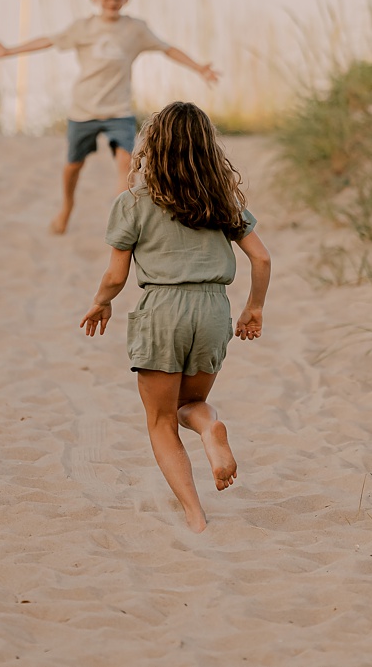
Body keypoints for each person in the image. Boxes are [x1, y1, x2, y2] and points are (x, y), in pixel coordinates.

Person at [79, 102, 271, 533]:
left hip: (162, 310)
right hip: (212, 310)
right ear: (207, 149)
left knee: (162, 420)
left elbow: (115, 275)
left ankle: (194, 514)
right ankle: (209, 428)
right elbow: (261, 258)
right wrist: (253, 308)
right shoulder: (221, 201)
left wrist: (101, 301)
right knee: (190, 404)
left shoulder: (133, 203)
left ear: (153, 147)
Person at [0, 0, 220, 234]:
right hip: (84, 110)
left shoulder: (135, 29)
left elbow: (167, 48)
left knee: (126, 163)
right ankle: (67, 207)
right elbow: (48, 40)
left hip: (119, 110)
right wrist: (9, 50)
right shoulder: (83, 28)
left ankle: (122, 220)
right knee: (73, 166)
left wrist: (199, 68)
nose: (111, 1)